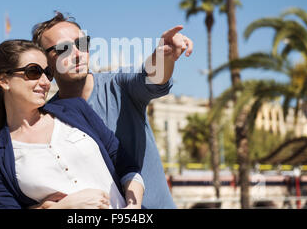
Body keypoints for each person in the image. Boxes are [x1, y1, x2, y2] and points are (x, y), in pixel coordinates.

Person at [0, 39, 145, 209]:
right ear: (4, 80)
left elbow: (127, 166)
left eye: (48, 73)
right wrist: (63, 207)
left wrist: (132, 207)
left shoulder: (76, 110)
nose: (46, 82)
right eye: (33, 72)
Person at [32, 12, 193, 208]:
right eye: (63, 49)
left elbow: (151, 77)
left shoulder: (118, 86)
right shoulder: (47, 119)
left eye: (82, 44)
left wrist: (163, 55)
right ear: (45, 62)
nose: (76, 54)